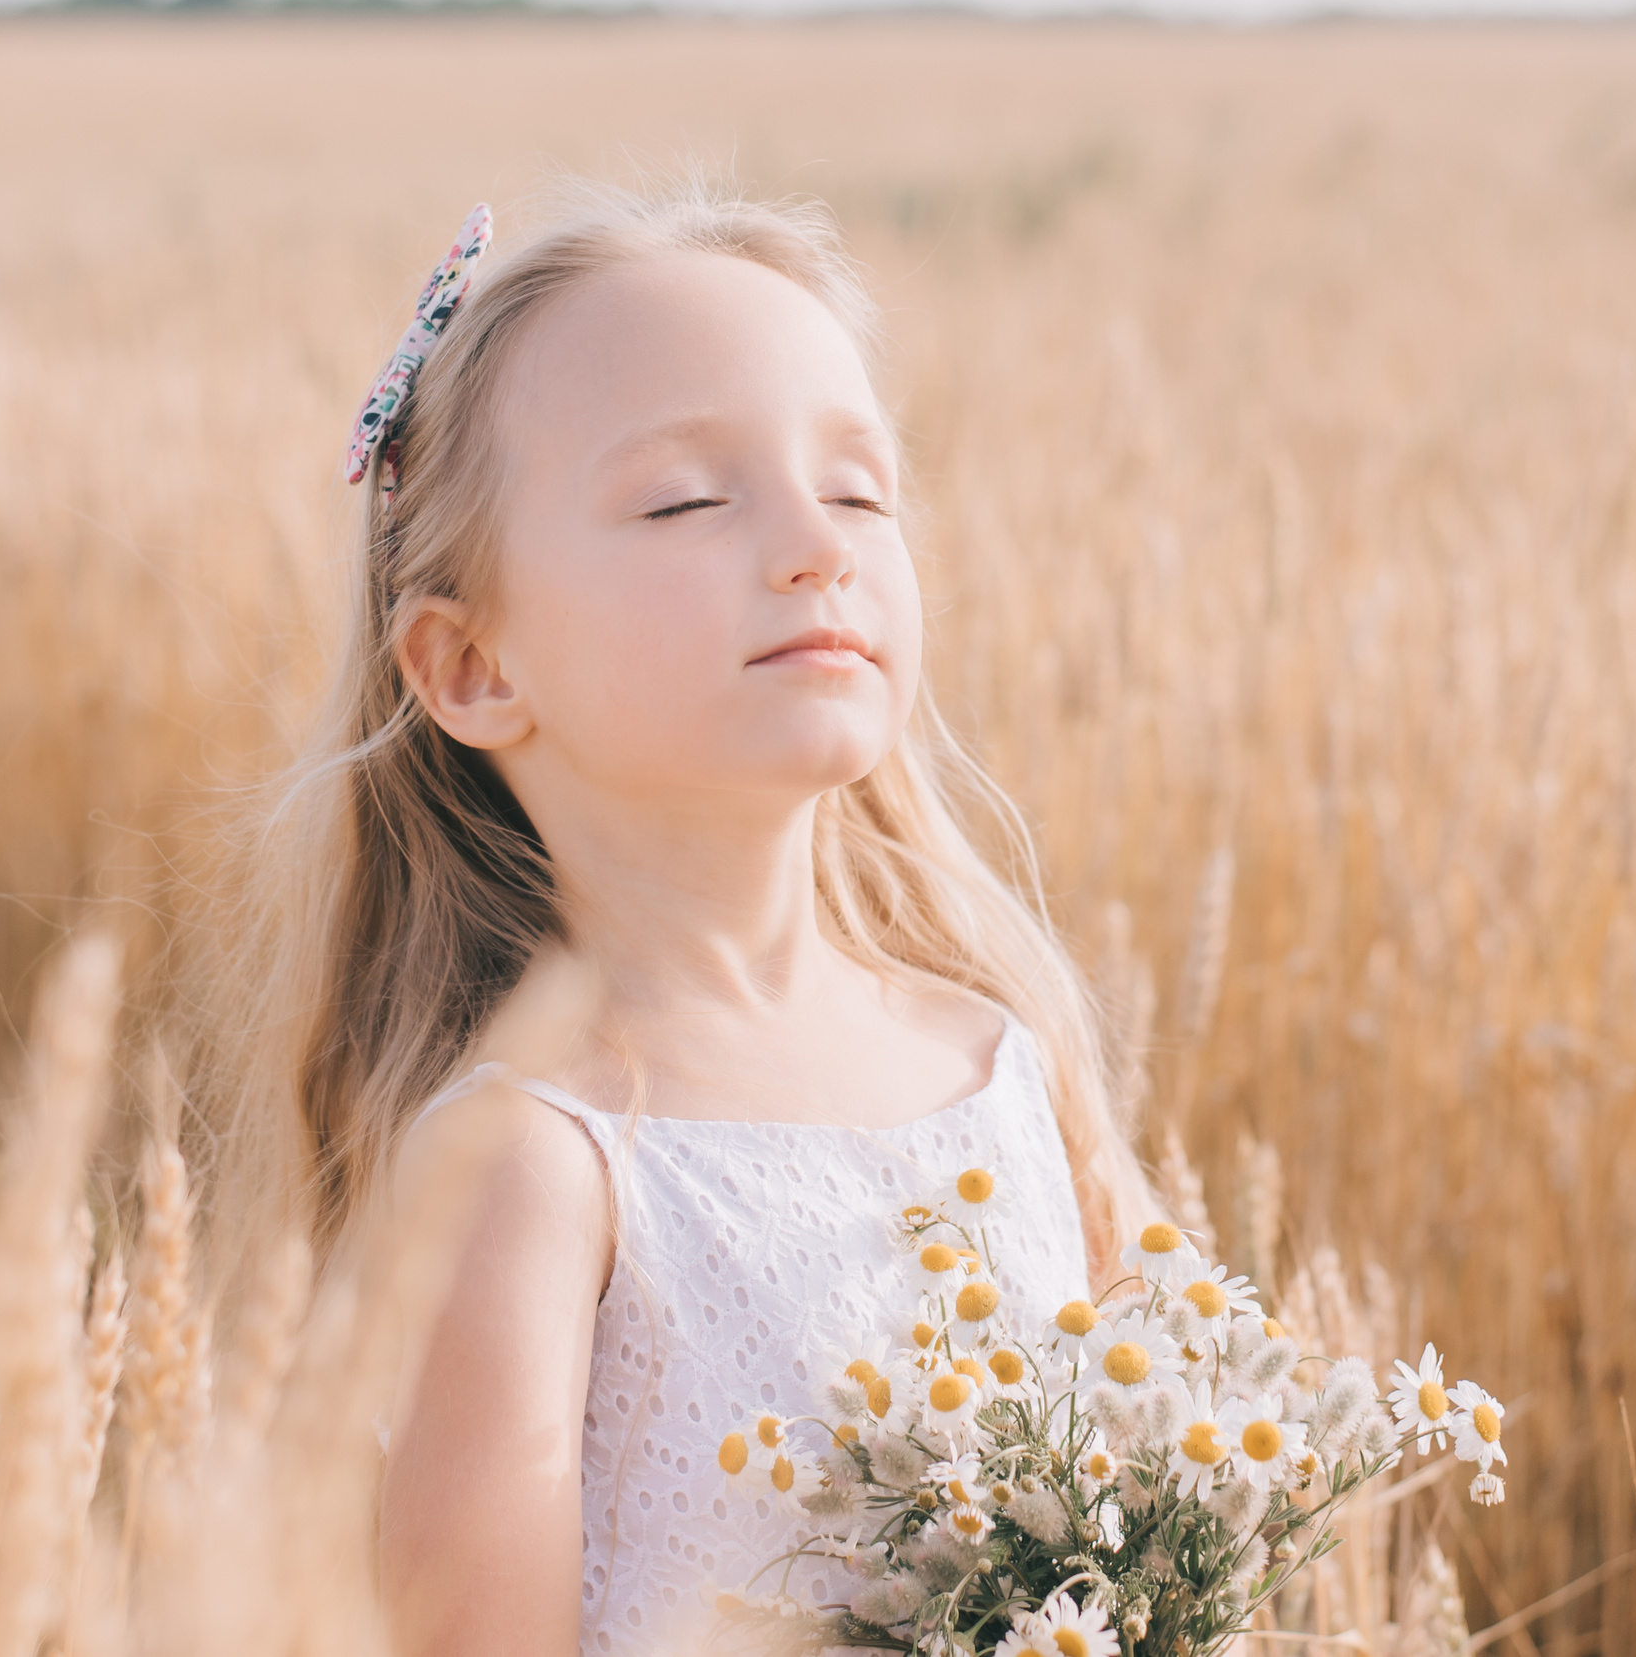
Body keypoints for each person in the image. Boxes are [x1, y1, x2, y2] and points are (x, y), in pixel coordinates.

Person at [222, 179, 1163, 1656]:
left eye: (860, 490)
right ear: (470, 664)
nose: (815, 543)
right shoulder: (531, 1165)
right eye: (685, 499)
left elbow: (1180, 1509)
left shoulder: (1001, 1058)